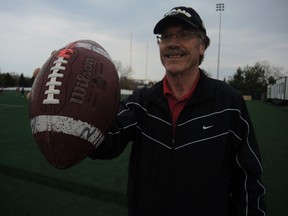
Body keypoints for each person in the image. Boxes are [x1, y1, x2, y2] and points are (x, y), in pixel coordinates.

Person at [29, 6, 266, 216]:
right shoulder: (142, 101)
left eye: (184, 35)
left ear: (202, 46)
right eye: (166, 36)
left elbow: (247, 179)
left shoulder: (228, 103)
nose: (173, 43)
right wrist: (61, 104)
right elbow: (107, 139)